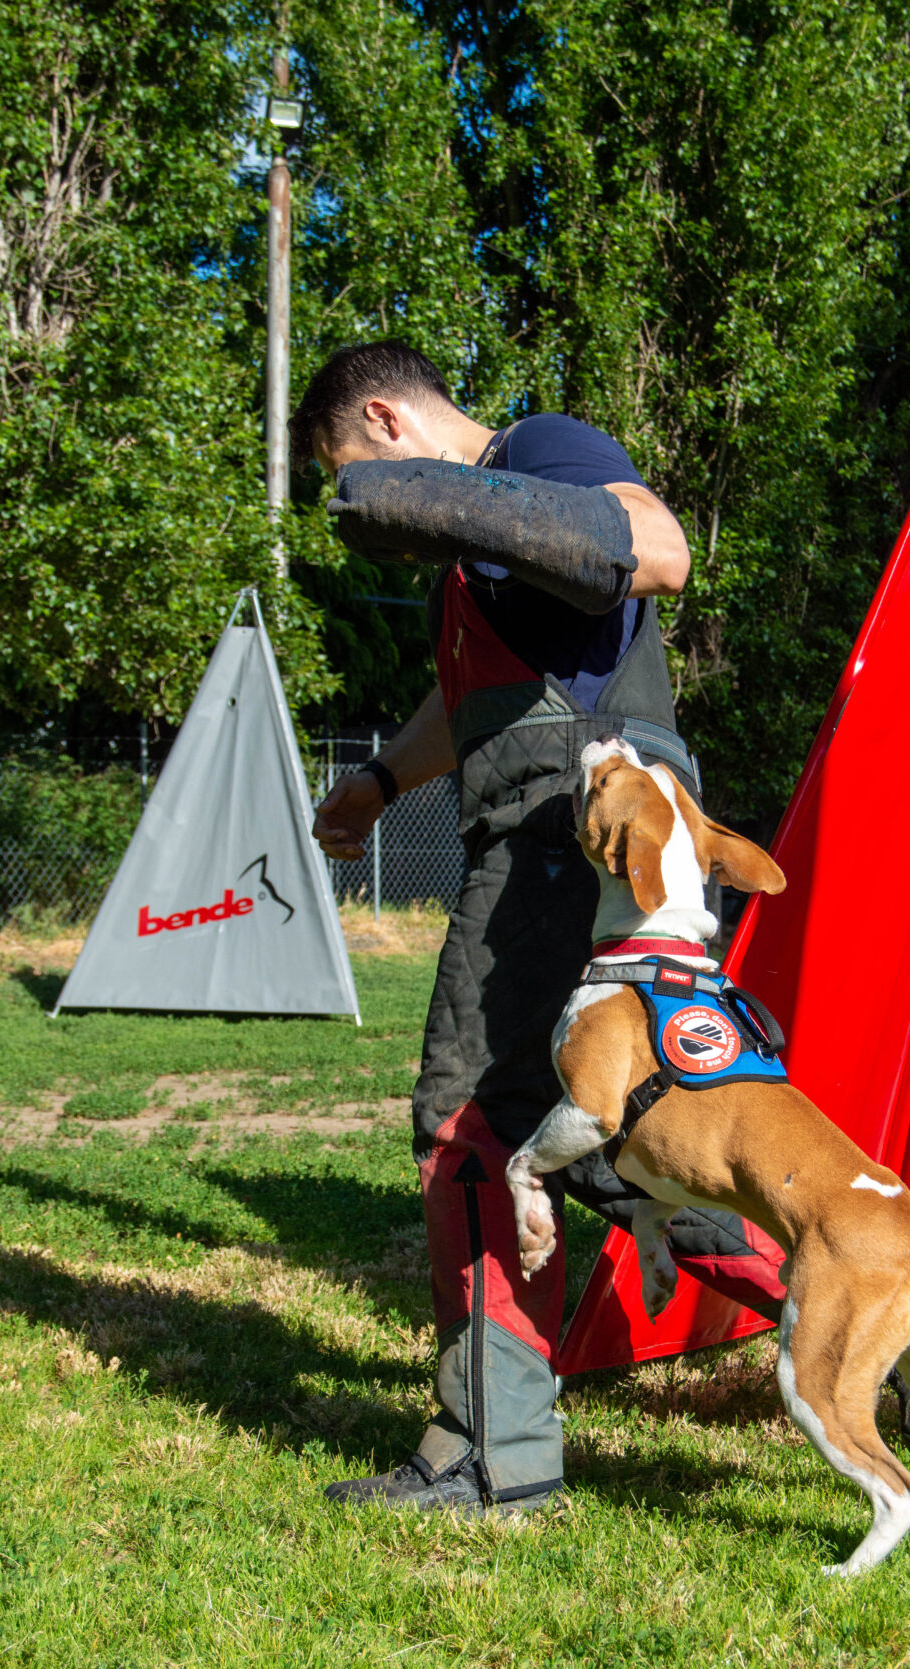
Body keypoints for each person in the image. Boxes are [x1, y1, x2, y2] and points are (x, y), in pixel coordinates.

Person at [290, 341, 788, 1519]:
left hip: (575, 831)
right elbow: (479, 705)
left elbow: (656, 548)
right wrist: (380, 783)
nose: (370, 508)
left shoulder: (540, 451)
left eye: (352, 472)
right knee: (631, 1137)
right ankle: (870, 1289)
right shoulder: (475, 565)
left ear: (386, 421)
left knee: (472, 1120)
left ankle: (491, 1454)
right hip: (572, 831)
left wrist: (439, 501)